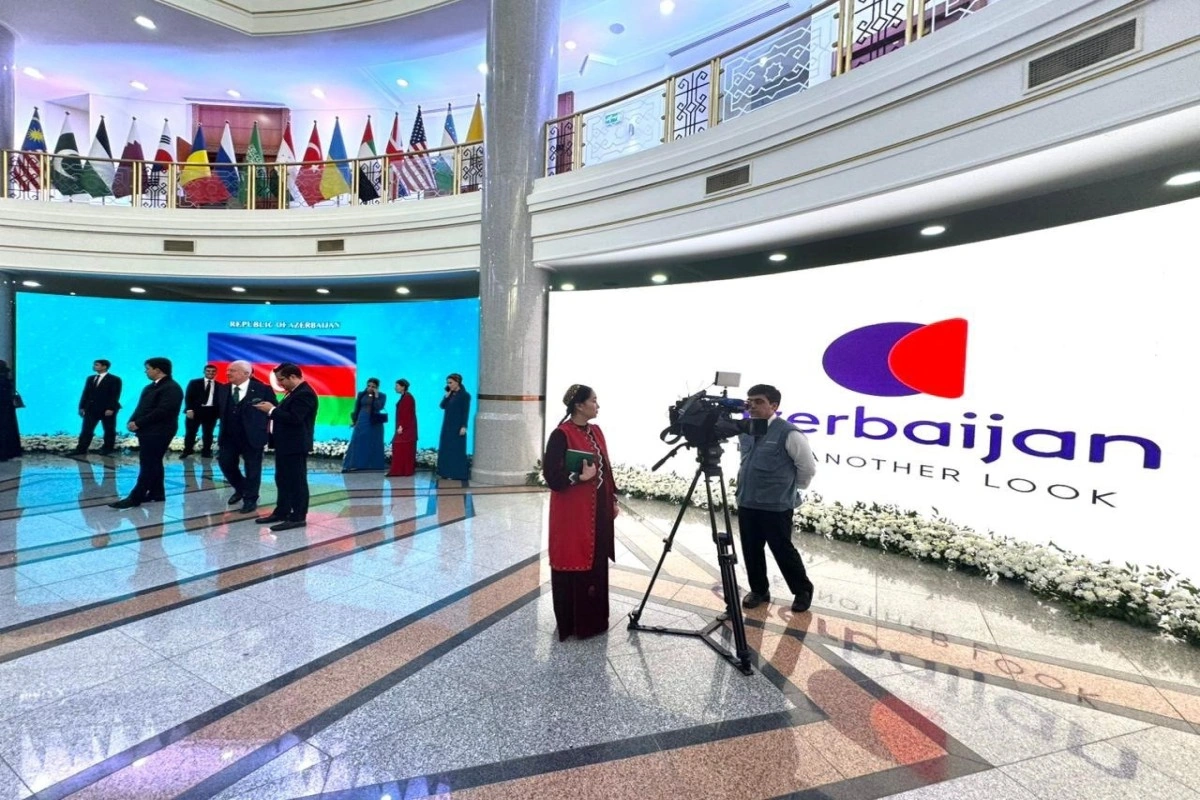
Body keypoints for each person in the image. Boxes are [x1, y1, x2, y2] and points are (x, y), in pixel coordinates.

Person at [542, 384, 618, 641]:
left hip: (598, 511)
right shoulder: (560, 435)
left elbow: (607, 469)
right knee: (573, 559)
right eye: (594, 400)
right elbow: (552, 477)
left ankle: (595, 622)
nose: (598, 405)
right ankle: (573, 624)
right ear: (579, 405)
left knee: (596, 563)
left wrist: (613, 499)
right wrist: (579, 477)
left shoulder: (596, 431)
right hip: (572, 515)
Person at [736, 383, 817, 612]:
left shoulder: (789, 433)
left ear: (774, 406)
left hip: (776, 505)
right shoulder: (745, 430)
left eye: (759, 401)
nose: (752, 406)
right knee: (751, 549)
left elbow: (807, 468)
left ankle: (802, 591)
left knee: (782, 549)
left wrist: (789, 489)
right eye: (750, 401)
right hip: (747, 501)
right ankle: (759, 590)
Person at [109, 358, 183, 508]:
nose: (146, 371)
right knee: (153, 462)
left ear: (158, 370)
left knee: (149, 463)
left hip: (160, 431)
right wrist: (132, 421)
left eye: (148, 368)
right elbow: (141, 407)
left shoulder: (171, 388)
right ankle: (157, 493)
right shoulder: (150, 387)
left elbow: (163, 411)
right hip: (147, 430)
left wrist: (139, 423)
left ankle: (136, 497)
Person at [253, 362, 318, 532]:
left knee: (296, 481)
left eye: (281, 380)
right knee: (282, 479)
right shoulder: (293, 393)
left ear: (293, 376)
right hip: (285, 445)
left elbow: (295, 419)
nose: (280, 384)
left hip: (295, 446)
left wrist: (271, 410)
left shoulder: (304, 394)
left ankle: (298, 517)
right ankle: (282, 511)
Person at [217, 359, 275, 514]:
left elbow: (273, 410)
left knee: (253, 468)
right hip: (229, 436)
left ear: (246, 373)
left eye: (232, 370)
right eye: (228, 370)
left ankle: (250, 499)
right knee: (225, 463)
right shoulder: (223, 389)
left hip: (252, 436)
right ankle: (241, 488)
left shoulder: (262, 389)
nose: (228, 373)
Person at [71, 359, 122, 455]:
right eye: (94, 364)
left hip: (107, 409)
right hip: (91, 409)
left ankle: (107, 449)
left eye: (97, 365)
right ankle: (81, 449)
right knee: (86, 429)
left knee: (109, 429)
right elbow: (85, 393)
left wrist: (111, 408)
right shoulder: (90, 378)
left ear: (104, 366)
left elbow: (115, 394)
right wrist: (82, 407)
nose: (94, 366)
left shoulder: (115, 379)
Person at [342, 378, 387, 472]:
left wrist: (376, 396)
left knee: (372, 442)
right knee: (357, 440)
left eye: (373, 386)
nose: (370, 388)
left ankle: (372, 465)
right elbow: (357, 408)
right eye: (369, 386)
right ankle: (354, 464)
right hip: (362, 419)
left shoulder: (382, 396)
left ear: (377, 387)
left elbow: (379, 407)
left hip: (374, 422)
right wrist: (354, 420)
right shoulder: (361, 394)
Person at [181, 364, 223, 458]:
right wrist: (189, 409)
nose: (210, 373)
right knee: (190, 432)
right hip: (195, 412)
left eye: (213, 371)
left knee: (208, 433)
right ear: (204, 372)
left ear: (216, 373)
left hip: (211, 413)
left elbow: (220, 401)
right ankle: (187, 451)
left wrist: (220, 415)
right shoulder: (194, 383)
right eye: (208, 371)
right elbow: (188, 396)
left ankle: (206, 452)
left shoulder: (220, 385)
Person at [437, 372, 470, 480]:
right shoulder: (450, 394)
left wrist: (464, 426)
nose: (449, 385)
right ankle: (445, 471)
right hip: (447, 426)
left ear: (457, 382)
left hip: (457, 426)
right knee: (446, 448)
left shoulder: (465, 396)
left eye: (450, 383)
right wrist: (446, 396)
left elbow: (465, 412)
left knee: (456, 450)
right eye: (448, 383)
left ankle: (457, 473)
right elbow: (442, 406)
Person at [387, 378, 418, 477]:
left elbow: (407, 414)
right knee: (401, 448)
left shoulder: (408, 398)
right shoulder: (404, 397)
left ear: (403, 387)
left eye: (397, 386)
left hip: (406, 429)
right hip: (404, 427)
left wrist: (402, 426)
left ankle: (403, 470)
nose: (395, 388)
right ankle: (401, 470)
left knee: (402, 447)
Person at [0, 361, 22, 462]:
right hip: (7, 410)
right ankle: (7, 453)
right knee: (6, 431)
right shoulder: (7, 382)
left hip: (4, 409)